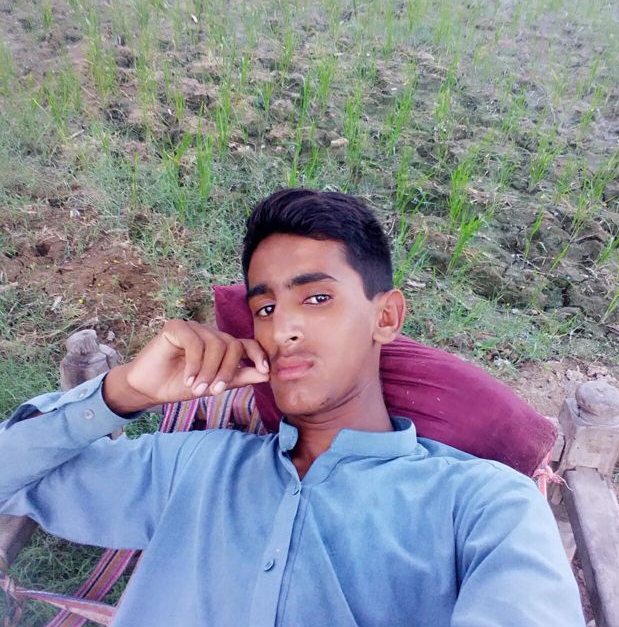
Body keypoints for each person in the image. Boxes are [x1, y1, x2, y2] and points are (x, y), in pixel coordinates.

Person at [0, 189, 585, 626]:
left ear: (385, 316)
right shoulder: (194, 468)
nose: (284, 330)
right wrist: (126, 391)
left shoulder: (484, 507)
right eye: (265, 309)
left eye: (317, 297)